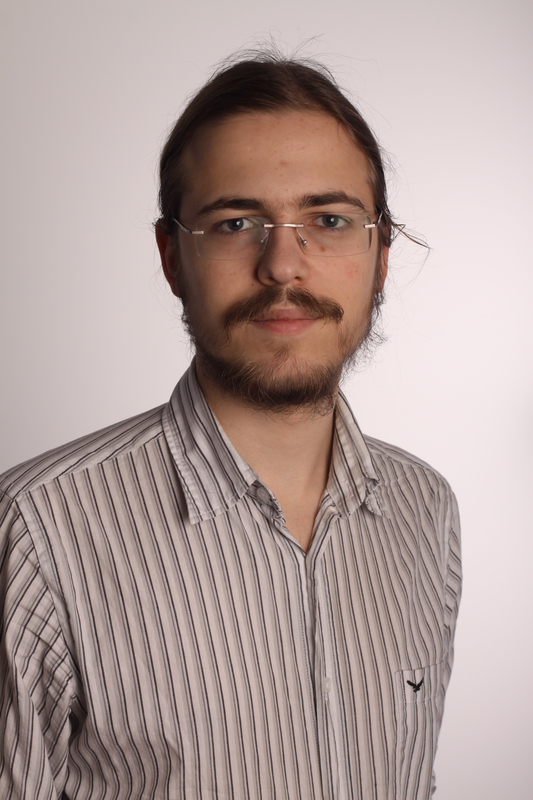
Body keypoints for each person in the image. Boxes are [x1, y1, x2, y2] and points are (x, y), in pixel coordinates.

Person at [0, 52, 461, 800]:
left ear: (380, 255)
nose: (283, 266)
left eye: (329, 220)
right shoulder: (36, 530)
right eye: (235, 222)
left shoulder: (425, 510)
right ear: (172, 257)